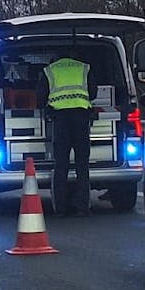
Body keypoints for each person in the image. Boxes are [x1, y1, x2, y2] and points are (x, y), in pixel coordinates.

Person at [44, 54, 94, 216]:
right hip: (81, 118)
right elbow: (92, 92)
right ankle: (83, 208)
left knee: (61, 166)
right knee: (82, 166)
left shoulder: (50, 70)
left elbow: (40, 96)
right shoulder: (83, 67)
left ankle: (61, 209)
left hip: (60, 121)